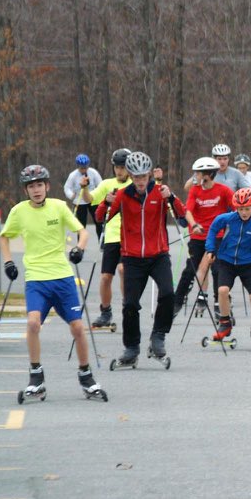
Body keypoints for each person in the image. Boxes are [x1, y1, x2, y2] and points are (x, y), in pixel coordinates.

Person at [0, 165, 105, 401]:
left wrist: (79, 248)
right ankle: (36, 378)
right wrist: (8, 263)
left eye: (39, 185)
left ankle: (86, 376)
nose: (36, 190)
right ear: (26, 190)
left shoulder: (59, 206)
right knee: (33, 323)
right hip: (36, 278)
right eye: (31, 186)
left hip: (62, 277)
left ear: (47, 186)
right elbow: (5, 237)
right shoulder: (18, 211)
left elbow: (83, 232)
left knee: (78, 327)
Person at [97, 151, 185, 366]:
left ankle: (158, 337)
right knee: (130, 305)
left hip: (158, 255)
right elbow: (101, 219)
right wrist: (105, 203)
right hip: (132, 257)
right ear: (130, 175)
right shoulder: (122, 195)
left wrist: (171, 198)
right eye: (136, 177)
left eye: (143, 177)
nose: (140, 182)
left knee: (167, 294)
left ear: (149, 175)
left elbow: (182, 218)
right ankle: (131, 348)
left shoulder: (159, 193)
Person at [203, 188, 251, 347]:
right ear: (235, 208)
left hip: (248, 263)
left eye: (247, 209)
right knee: (222, 291)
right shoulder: (227, 219)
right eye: (240, 209)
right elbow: (213, 229)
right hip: (226, 261)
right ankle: (225, 323)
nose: (244, 212)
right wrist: (210, 249)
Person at [175, 157, 234, 316]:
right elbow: (188, 211)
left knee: (217, 269)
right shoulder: (195, 190)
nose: (196, 176)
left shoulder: (223, 190)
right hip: (198, 236)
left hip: (216, 237)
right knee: (190, 270)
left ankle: (218, 302)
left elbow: (237, 208)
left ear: (209, 175)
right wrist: (194, 225)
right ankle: (177, 302)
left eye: (199, 173)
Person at [84, 148, 131, 329]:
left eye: (123, 168)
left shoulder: (136, 183)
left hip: (129, 235)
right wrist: (84, 187)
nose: (119, 171)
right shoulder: (107, 184)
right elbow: (90, 198)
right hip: (111, 236)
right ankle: (105, 312)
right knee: (105, 277)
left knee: (123, 270)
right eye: (117, 167)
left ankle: (128, 308)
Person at [64, 153, 104, 238]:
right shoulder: (73, 175)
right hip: (79, 201)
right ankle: (81, 247)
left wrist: (98, 194)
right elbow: (67, 188)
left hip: (93, 199)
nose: (84, 170)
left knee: (99, 222)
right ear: (78, 166)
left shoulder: (93, 173)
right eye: (82, 168)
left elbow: (101, 184)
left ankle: (102, 242)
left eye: (86, 167)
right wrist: (71, 195)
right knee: (81, 225)